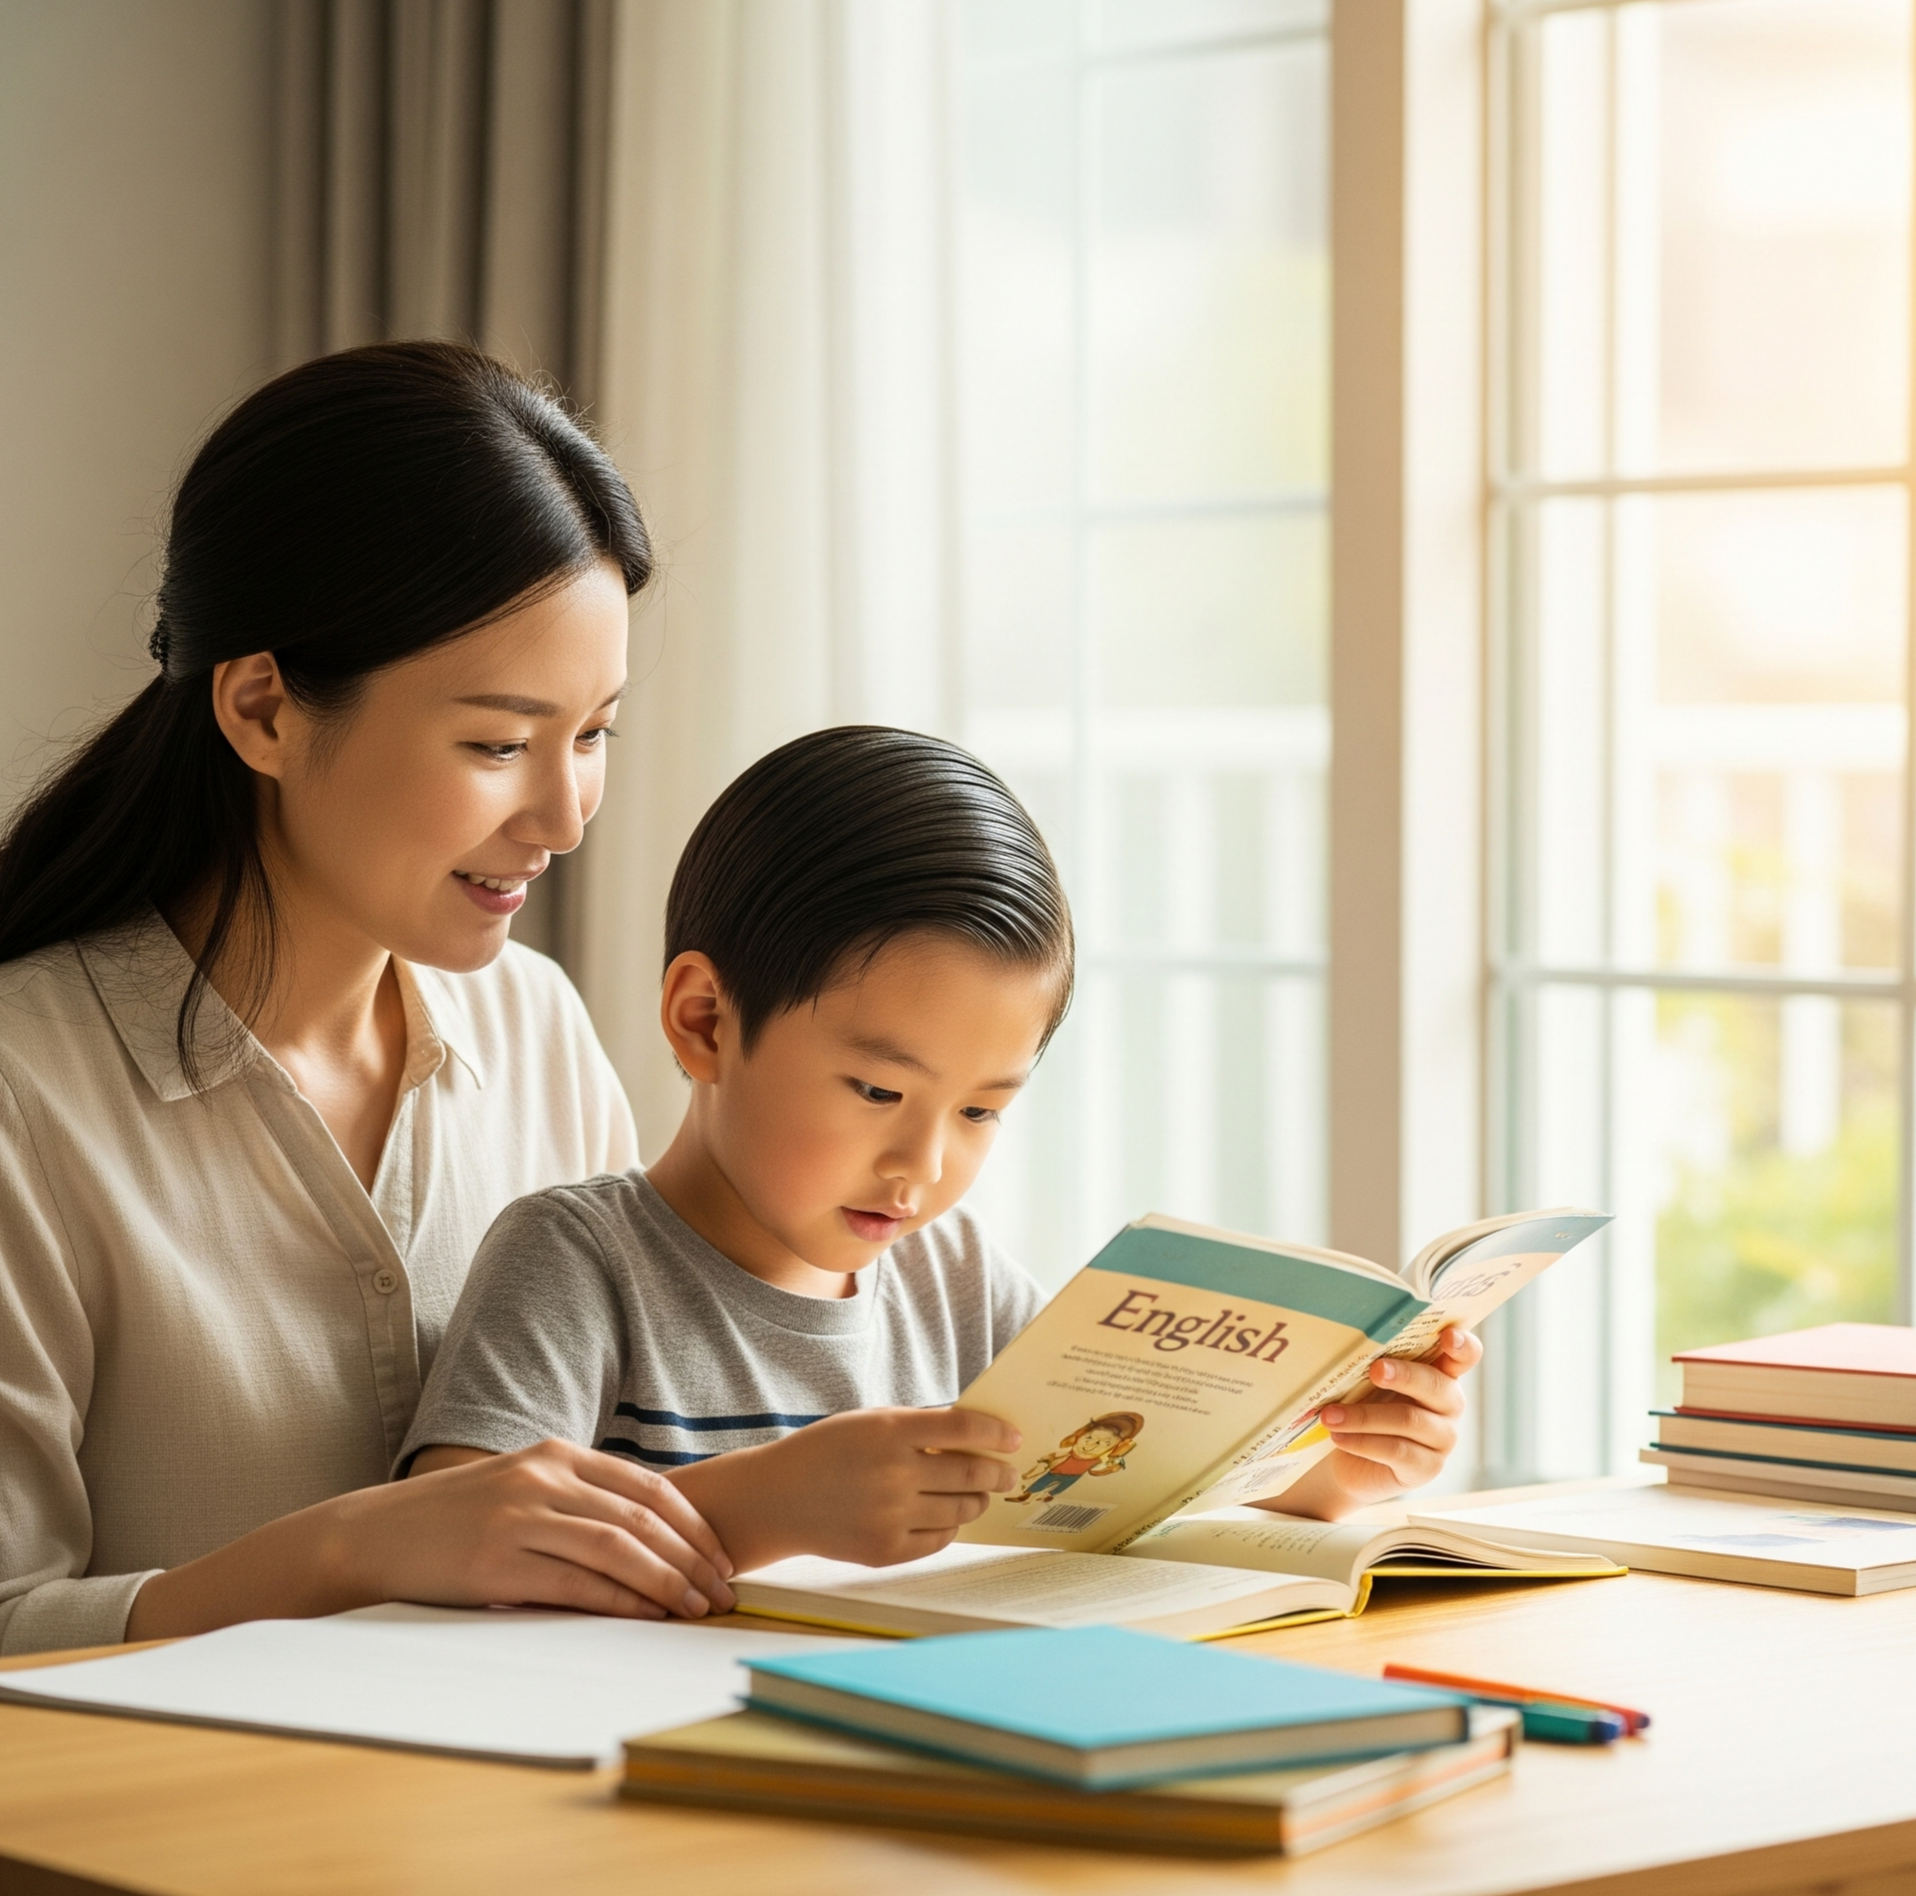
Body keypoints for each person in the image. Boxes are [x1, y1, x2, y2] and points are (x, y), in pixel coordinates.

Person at [0, 342, 736, 1657]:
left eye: (596, 735)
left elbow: (635, 1481)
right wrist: (355, 1548)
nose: (565, 817)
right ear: (265, 709)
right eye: (499, 743)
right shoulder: (26, 1092)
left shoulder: (538, 1031)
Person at [402, 727, 1483, 1571]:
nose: (920, 1165)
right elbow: (452, 1553)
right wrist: (758, 1506)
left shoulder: (953, 1282)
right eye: (877, 1090)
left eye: (980, 1111)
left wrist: (1340, 1465)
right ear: (704, 1022)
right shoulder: (577, 1264)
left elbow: (1125, 1491)